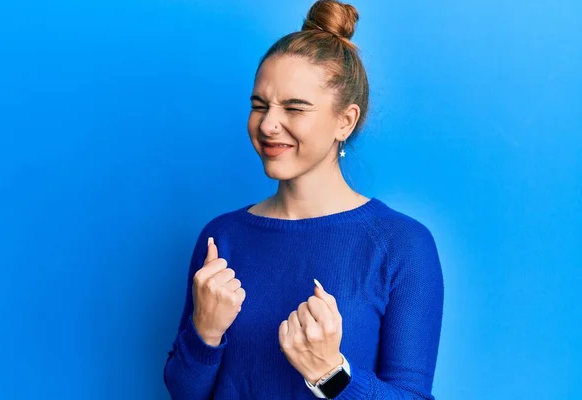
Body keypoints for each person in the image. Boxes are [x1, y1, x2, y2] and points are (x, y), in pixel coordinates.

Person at [163, 0, 444, 398]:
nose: (268, 124)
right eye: (259, 105)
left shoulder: (403, 245)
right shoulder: (221, 238)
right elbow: (183, 392)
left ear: (344, 121)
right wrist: (205, 333)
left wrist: (331, 373)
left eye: (294, 108)